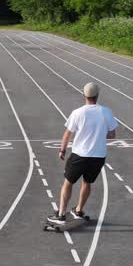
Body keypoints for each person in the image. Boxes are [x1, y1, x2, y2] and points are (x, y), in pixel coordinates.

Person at [47, 81, 118, 226]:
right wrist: (99, 134)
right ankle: (79, 210)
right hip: (98, 156)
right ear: (97, 95)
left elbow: (68, 133)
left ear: (84, 95)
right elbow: (112, 135)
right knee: (87, 182)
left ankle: (61, 214)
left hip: (80, 154)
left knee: (68, 182)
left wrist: (62, 150)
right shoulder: (106, 112)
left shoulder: (78, 112)